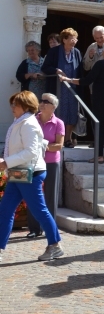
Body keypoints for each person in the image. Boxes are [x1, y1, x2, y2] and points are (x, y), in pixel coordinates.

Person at [0, 91, 64, 261]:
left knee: (39, 211)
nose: (12, 107)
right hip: (21, 172)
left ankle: (55, 245)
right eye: (12, 104)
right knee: (5, 211)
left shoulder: (28, 124)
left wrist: (6, 162)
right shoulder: (22, 122)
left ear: (26, 106)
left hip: (30, 173)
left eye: (16, 104)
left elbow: (30, 152)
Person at [60, 42, 104, 163]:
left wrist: (69, 80)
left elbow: (87, 80)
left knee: (98, 125)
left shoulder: (100, 64)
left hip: (100, 98)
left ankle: (99, 155)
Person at [25, 93, 65, 240]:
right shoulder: (32, 121)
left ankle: (49, 228)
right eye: (41, 101)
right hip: (34, 162)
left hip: (51, 163)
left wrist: (42, 145)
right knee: (32, 194)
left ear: (53, 106)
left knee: (50, 195)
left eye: (45, 101)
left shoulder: (58, 123)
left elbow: (58, 146)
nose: (41, 103)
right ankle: (34, 228)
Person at [41, 28, 81, 146]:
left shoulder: (77, 52)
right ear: (64, 40)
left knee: (72, 113)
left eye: (76, 38)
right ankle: (57, 138)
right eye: (72, 38)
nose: (75, 41)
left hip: (72, 89)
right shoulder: (54, 52)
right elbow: (45, 67)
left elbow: (80, 71)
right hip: (58, 89)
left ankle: (67, 139)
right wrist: (56, 70)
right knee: (59, 112)